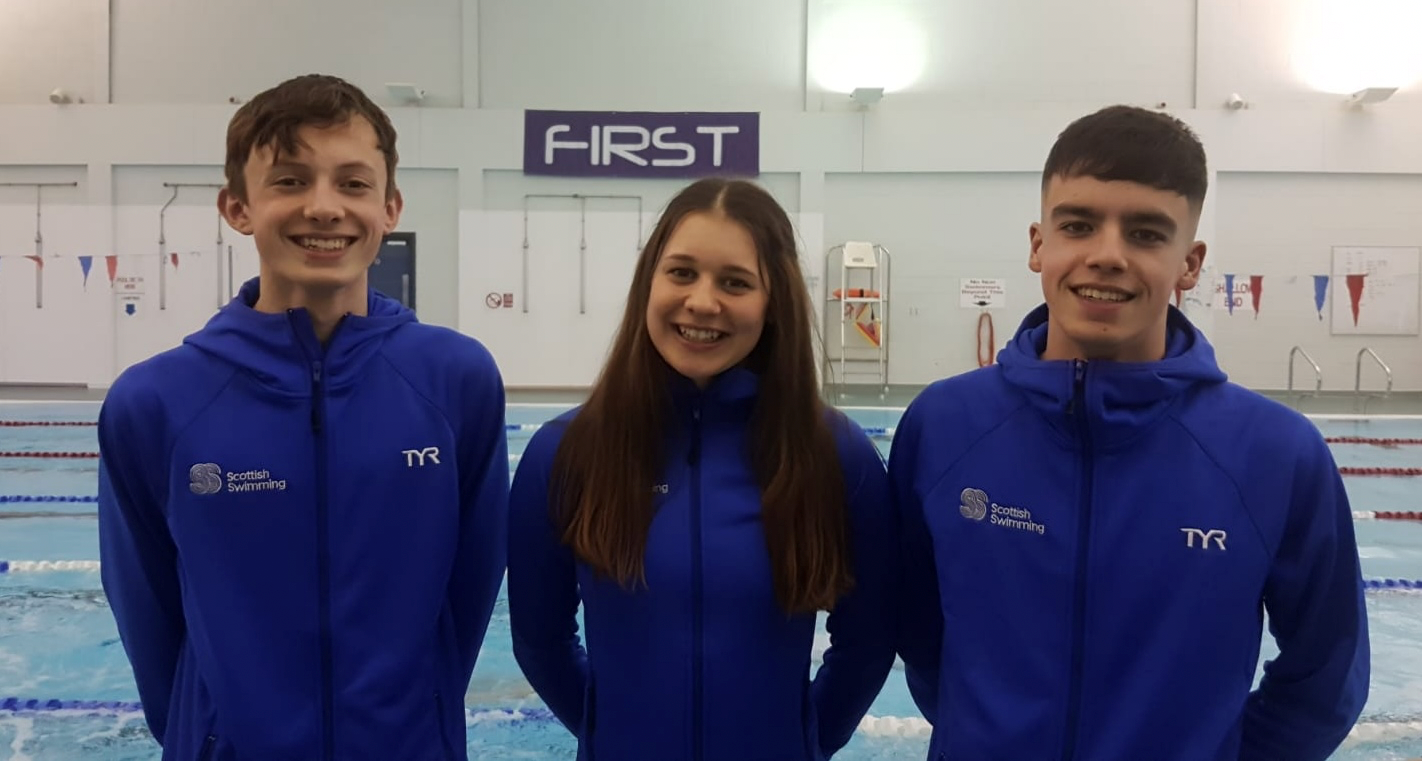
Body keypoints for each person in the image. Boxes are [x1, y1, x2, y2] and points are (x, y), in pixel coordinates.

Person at [890, 105, 1370, 760]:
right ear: (1038, 243)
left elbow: (1326, 672)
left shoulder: (1274, 452)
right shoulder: (943, 426)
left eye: (1145, 233)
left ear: (1189, 262)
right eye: (1078, 225)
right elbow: (916, 631)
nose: (1106, 255)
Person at [96, 74, 510, 760]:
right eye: (289, 180)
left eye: (352, 183)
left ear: (390, 206)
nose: (324, 207)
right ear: (238, 207)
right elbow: (147, 610)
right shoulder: (156, 402)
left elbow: (468, 591)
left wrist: (419, 719)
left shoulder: (455, 379)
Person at [506, 177, 897, 759]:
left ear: (772, 304)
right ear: (650, 283)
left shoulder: (833, 456)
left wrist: (801, 740)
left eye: (735, 282)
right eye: (681, 272)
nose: (702, 302)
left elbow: (866, 644)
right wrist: (612, 732)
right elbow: (540, 641)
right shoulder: (567, 452)